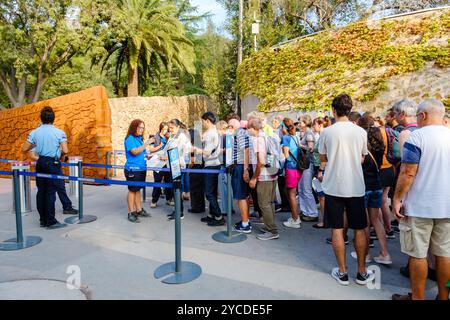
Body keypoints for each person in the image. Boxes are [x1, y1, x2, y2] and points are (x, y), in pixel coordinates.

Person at [391, 99, 450, 300]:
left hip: (419, 206)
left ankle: (418, 297)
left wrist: (397, 199)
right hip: (447, 206)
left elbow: (408, 172)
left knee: (418, 254)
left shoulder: (417, 138)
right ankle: (443, 297)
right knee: (444, 254)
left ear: (423, 115)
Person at [318, 94, 374, 286]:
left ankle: (342, 272)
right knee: (359, 228)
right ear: (349, 110)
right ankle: (361, 272)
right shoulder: (360, 132)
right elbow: (362, 157)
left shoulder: (327, 132)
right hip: (356, 186)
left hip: (334, 185)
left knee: (337, 228)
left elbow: (322, 158)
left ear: (334, 110)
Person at [22, 106, 68, 229]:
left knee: (41, 191)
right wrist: (61, 155)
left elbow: (24, 149)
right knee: (51, 192)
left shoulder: (34, 132)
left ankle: (42, 219)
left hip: (41, 162)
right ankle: (51, 221)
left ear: (41, 119)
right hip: (53, 163)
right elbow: (65, 150)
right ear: (53, 118)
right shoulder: (59, 132)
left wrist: (36, 144)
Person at [356, 116, 392, 265]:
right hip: (376, 185)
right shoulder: (379, 145)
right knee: (376, 221)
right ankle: (385, 253)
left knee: (364, 223)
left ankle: (366, 254)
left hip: (364, 186)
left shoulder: (362, 146)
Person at [247, 117, 279, 240]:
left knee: (263, 203)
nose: (247, 131)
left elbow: (260, 162)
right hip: (273, 172)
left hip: (264, 175)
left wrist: (254, 178)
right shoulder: (267, 135)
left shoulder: (257, 140)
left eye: (248, 128)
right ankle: (269, 225)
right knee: (270, 202)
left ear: (253, 128)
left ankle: (272, 230)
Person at [194, 112, 225, 226]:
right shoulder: (213, 132)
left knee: (209, 193)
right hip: (213, 164)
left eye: (203, 121)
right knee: (211, 191)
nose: (202, 124)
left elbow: (207, 152)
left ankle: (218, 216)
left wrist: (196, 149)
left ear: (207, 120)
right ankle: (212, 215)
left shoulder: (211, 133)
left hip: (211, 165)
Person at [29, 149, 78, 216]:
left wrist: (63, 157)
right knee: (45, 190)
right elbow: (32, 156)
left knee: (61, 187)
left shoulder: (53, 140)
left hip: (55, 166)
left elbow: (61, 153)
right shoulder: (36, 140)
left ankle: (67, 207)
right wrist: (46, 161)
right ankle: (46, 214)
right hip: (44, 167)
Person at [123, 119, 151, 223]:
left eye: (143, 128)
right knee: (132, 190)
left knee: (138, 189)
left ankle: (139, 210)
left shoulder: (139, 139)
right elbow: (134, 152)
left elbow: (140, 152)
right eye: (140, 127)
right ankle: (131, 212)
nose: (141, 130)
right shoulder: (130, 138)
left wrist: (147, 156)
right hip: (133, 169)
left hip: (141, 168)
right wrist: (147, 143)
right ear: (134, 127)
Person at [229, 118, 252, 233]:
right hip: (242, 166)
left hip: (240, 166)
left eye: (229, 127)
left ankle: (245, 224)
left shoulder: (240, 133)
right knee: (244, 195)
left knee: (241, 196)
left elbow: (246, 150)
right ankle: (246, 220)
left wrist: (245, 170)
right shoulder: (243, 132)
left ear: (232, 127)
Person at [166, 119, 192, 220]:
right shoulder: (172, 136)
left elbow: (181, 150)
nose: (170, 130)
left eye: (172, 128)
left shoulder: (182, 137)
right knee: (175, 189)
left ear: (178, 127)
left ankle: (179, 212)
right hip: (172, 165)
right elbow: (168, 148)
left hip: (178, 165)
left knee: (177, 189)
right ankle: (176, 210)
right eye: (169, 128)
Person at [280, 118, 302, 229]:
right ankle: (295, 216)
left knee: (291, 195)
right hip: (298, 168)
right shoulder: (296, 136)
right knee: (293, 193)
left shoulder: (286, 138)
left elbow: (286, 155)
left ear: (284, 127)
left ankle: (295, 219)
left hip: (290, 168)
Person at [298, 115, 318, 222]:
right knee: (301, 189)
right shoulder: (303, 133)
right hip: (302, 164)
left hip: (307, 164)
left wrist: (300, 146)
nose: (299, 124)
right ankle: (305, 211)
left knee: (306, 189)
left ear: (306, 123)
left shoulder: (309, 133)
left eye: (301, 122)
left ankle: (313, 213)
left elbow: (311, 148)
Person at [150, 122, 174, 208]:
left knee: (168, 180)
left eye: (167, 130)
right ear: (160, 129)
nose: (165, 131)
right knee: (157, 181)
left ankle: (169, 199)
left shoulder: (169, 138)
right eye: (164, 129)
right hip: (157, 162)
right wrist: (160, 146)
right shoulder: (154, 137)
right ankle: (154, 200)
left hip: (167, 162)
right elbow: (150, 149)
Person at [311, 117, 326, 229]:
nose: (313, 127)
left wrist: (320, 171)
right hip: (320, 167)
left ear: (320, 125)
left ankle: (325, 221)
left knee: (322, 196)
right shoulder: (322, 136)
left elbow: (324, 157)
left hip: (321, 168)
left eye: (314, 124)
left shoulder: (323, 136)